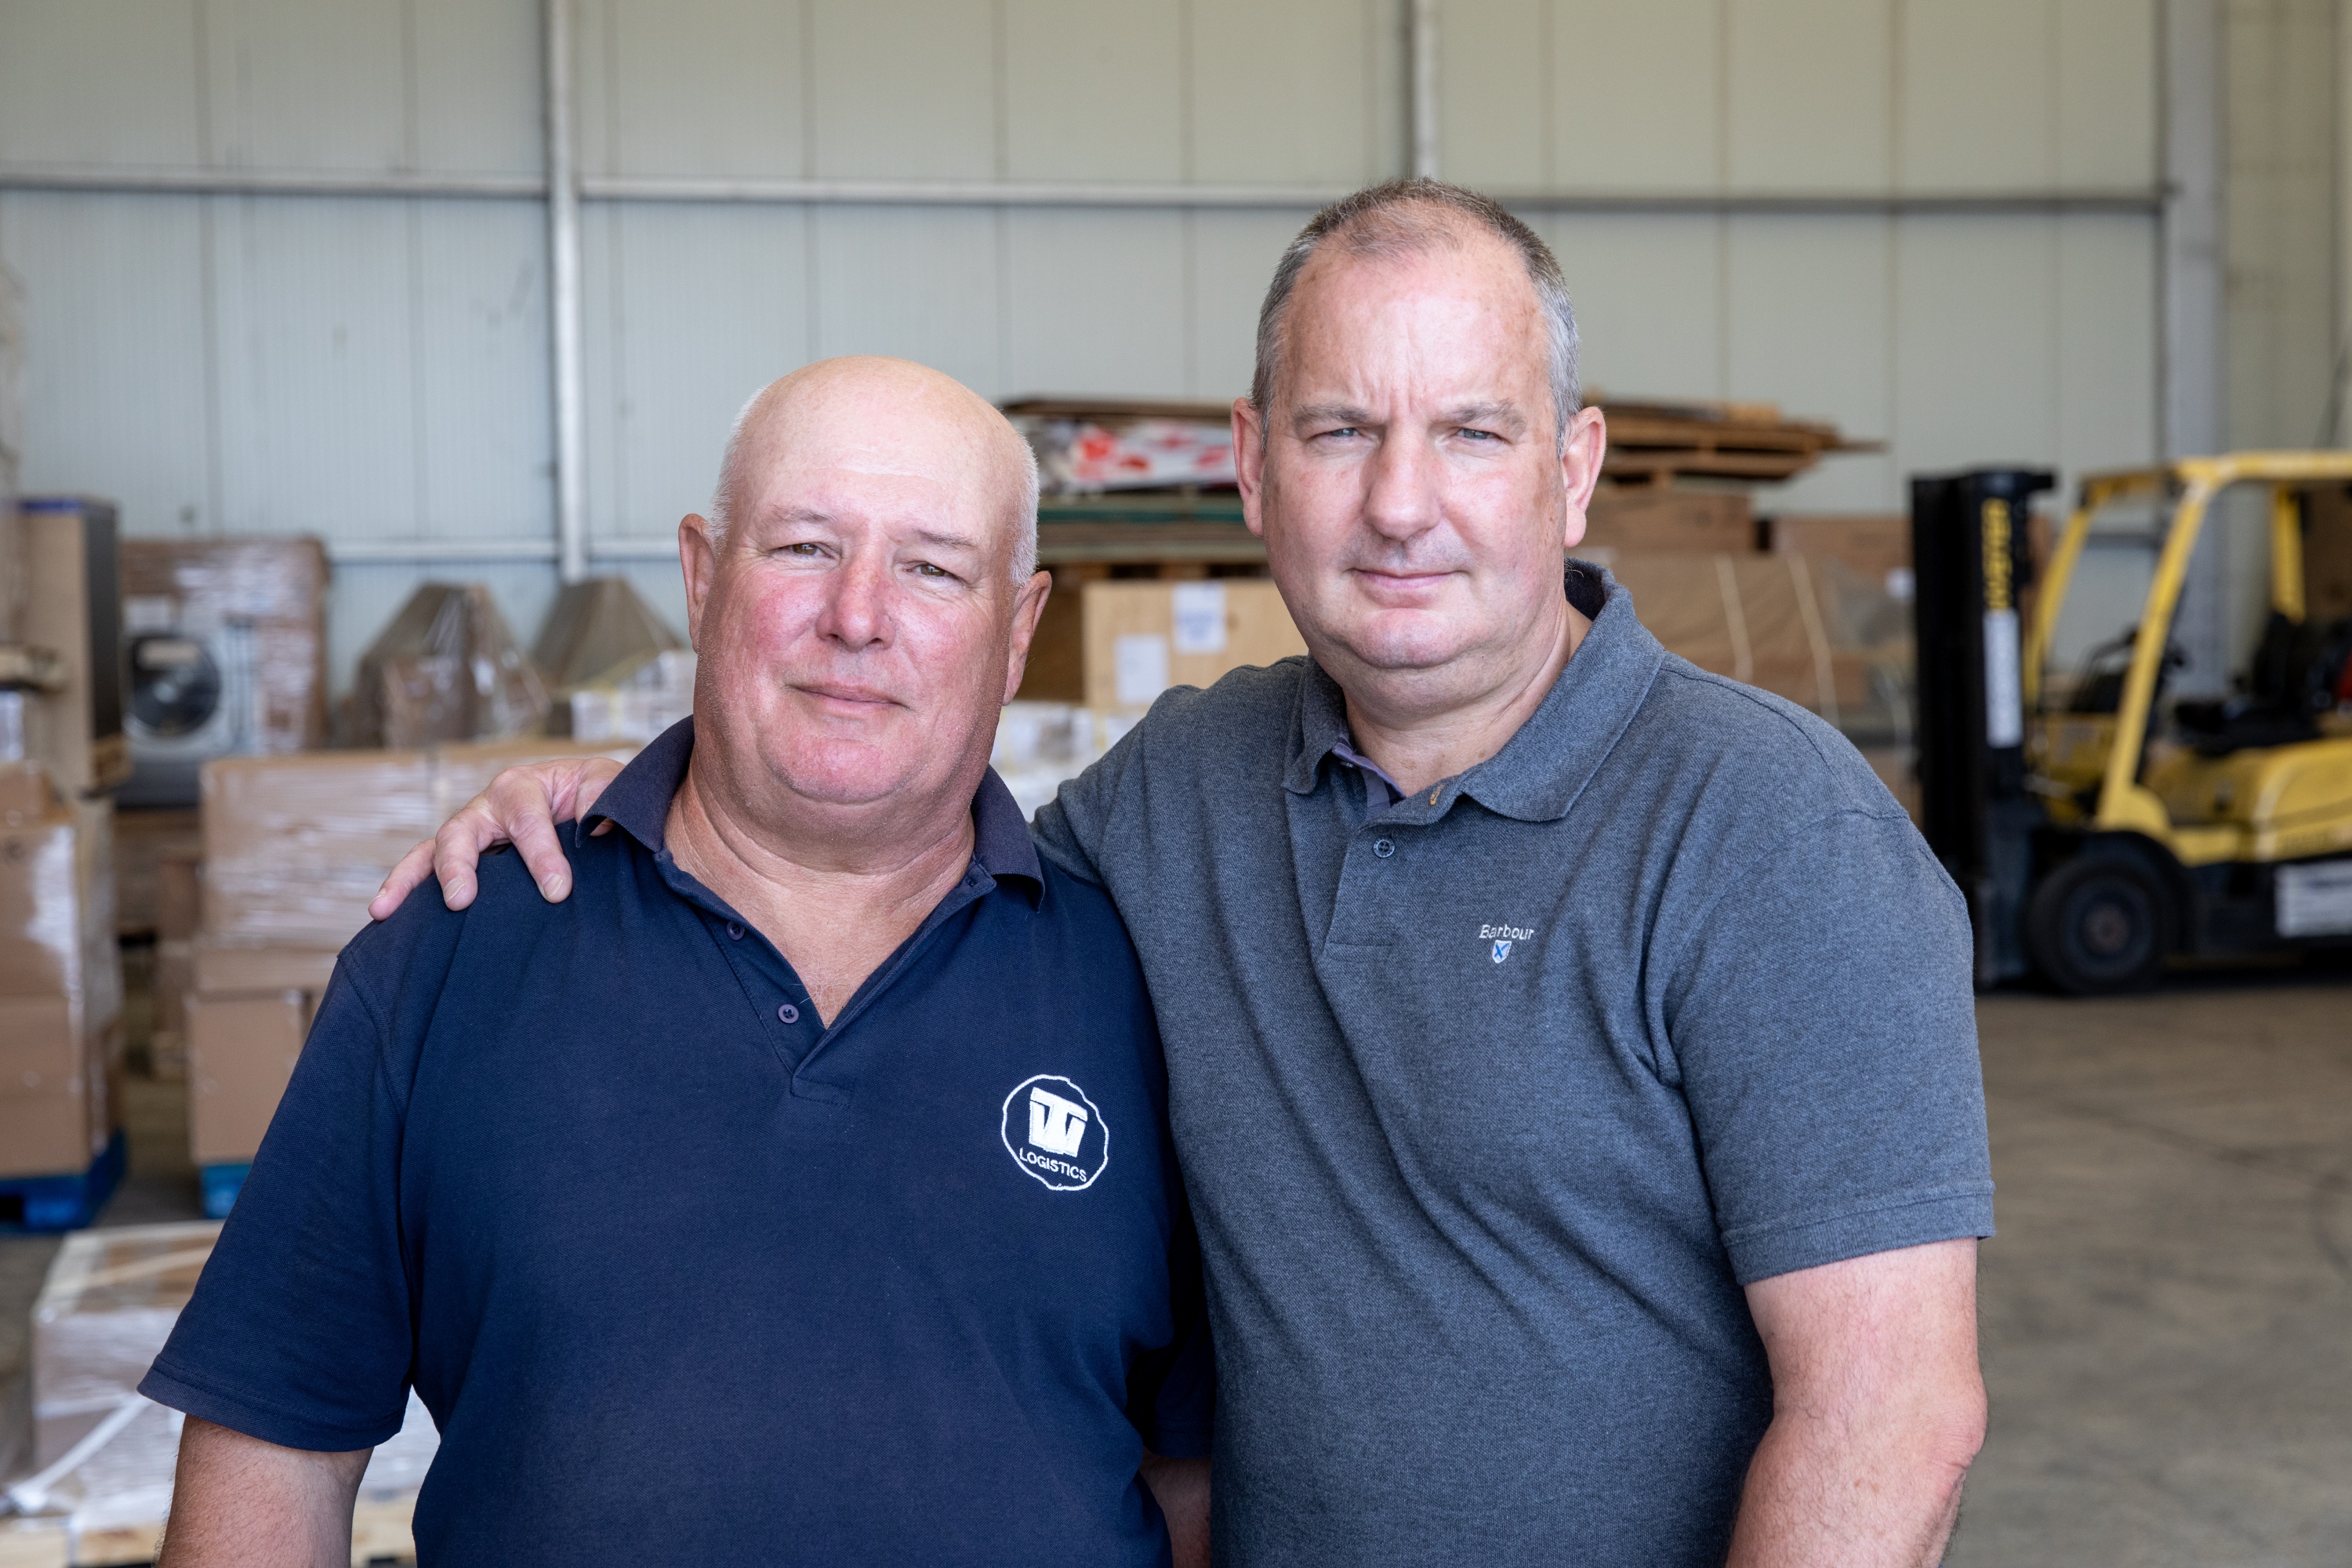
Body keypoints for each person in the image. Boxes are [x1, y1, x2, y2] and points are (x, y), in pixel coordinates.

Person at [381, 180, 1992, 1566]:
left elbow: (1895, 1418)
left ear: (1572, 471)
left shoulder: (1771, 837)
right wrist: (626, 801)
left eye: (1472, 433)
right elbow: (891, 851)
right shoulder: (1180, 796)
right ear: (1250, 467)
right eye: (1340, 429)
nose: (1401, 502)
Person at [143, 358, 1214, 1567]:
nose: (858, 615)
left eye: (933, 568)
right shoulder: (458, 944)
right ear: (703, 580)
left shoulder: (1143, 982)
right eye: (805, 548)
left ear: (1017, 632)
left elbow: (1191, 1478)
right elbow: (275, 1443)